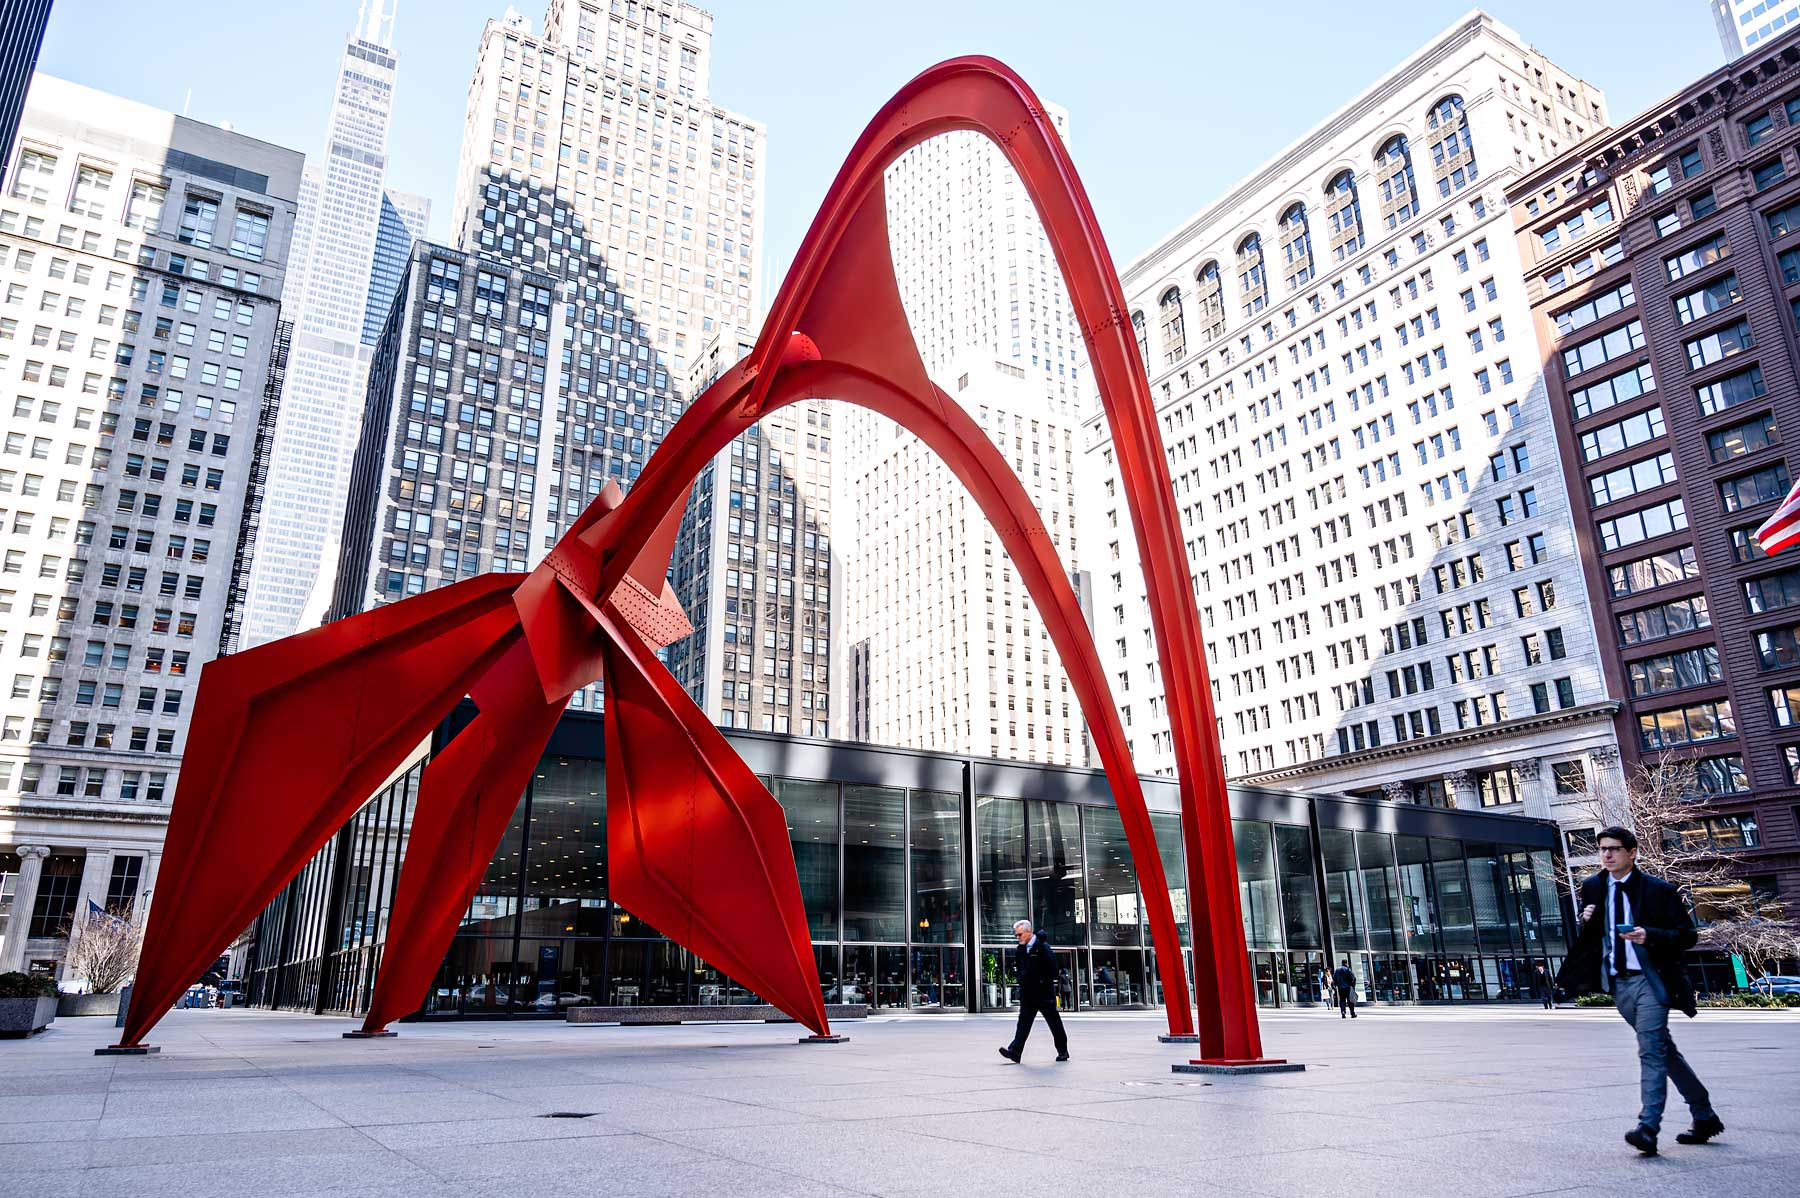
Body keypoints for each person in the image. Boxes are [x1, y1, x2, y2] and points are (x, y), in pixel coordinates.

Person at [1556, 826, 1723, 1156]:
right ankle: (1704, 1115)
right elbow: (1594, 937)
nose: (1606, 855)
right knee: (1663, 1049)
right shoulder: (1592, 887)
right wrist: (1586, 917)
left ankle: (1648, 1127)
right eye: (1603, 849)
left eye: (1614, 849)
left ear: (1632, 852)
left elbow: (1687, 936)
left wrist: (1650, 935)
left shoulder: (1657, 890)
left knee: (1650, 1050)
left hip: (1651, 981)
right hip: (1620, 984)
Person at [998, 919, 1068, 1063]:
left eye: (1020, 935)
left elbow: (1052, 969)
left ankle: (1063, 1051)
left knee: (1054, 1023)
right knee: (1023, 1023)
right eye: (1016, 935)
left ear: (1029, 932)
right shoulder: (1021, 949)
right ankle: (1015, 1051)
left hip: (1043, 994)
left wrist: (1041, 982)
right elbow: (1021, 969)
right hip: (1028, 995)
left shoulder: (1043, 947)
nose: (1017, 938)